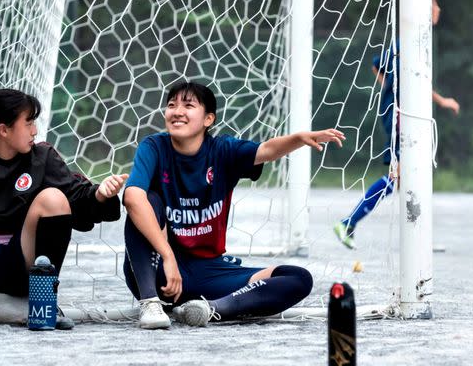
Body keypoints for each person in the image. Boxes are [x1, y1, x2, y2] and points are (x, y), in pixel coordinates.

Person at [122, 81, 345, 329]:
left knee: (297, 277)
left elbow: (266, 150)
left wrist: (299, 138)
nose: (177, 111)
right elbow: (131, 197)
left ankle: (209, 309)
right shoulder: (153, 147)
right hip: (160, 272)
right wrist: (167, 255)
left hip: (211, 273)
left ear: (208, 119)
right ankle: (150, 304)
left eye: (188, 105)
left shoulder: (222, 150)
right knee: (145, 201)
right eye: (171, 105)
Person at [0, 89, 126, 328]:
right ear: (3, 129)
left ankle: (42, 298)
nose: (35, 130)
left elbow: (76, 196)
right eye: (28, 122)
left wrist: (100, 194)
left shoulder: (42, 158)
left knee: (53, 198)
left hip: (22, 260)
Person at [333, 0, 460, 249]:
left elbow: (386, 69)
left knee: (410, 175)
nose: (439, 8)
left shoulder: (417, 41)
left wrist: (393, 89)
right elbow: (379, 66)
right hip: (400, 117)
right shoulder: (409, 42)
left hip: (403, 114)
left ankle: (417, 237)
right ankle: (348, 222)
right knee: (399, 175)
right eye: (434, 3)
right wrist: (395, 94)